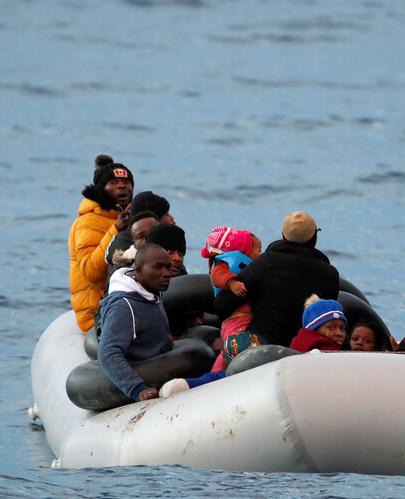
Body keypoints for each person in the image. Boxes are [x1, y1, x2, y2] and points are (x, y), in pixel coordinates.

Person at [214, 211, 340, 347]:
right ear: (315, 239)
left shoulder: (266, 262)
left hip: (261, 348)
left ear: (283, 236)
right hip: (304, 351)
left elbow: (222, 304)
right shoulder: (330, 274)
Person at [97, 244, 175, 402]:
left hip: (161, 364)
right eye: (158, 267)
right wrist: (138, 389)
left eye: (168, 267)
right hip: (141, 375)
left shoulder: (151, 294)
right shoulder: (123, 307)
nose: (166, 273)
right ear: (139, 271)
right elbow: (108, 354)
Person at [69, 154, 134, 333]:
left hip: (123, 304)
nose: (122, 185)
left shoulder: (133, 219)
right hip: (96, 313)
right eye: (113, 182)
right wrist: (116, 230)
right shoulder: (87, 222)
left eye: (126, 182)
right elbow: (92, 272)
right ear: (101, 189)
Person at [200, 226, 263, 371]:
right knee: (233, 347)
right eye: (258, 250)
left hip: (246, 318)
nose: (261, 254)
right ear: (243, 252)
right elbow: (217, 275)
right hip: (235, 319)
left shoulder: (247, 268)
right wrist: (232, 283)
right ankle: (217, 373)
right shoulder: (225, 264)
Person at [157, 332, 262, 398]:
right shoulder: (271, 364)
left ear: (230, 361)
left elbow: (171, 389)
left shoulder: (224, 377)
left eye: (223, 356)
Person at [105, 191, 175, 276]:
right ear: (152, 220)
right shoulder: (127, 249)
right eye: (166, 214)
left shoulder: (166, 243)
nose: (172, 218)